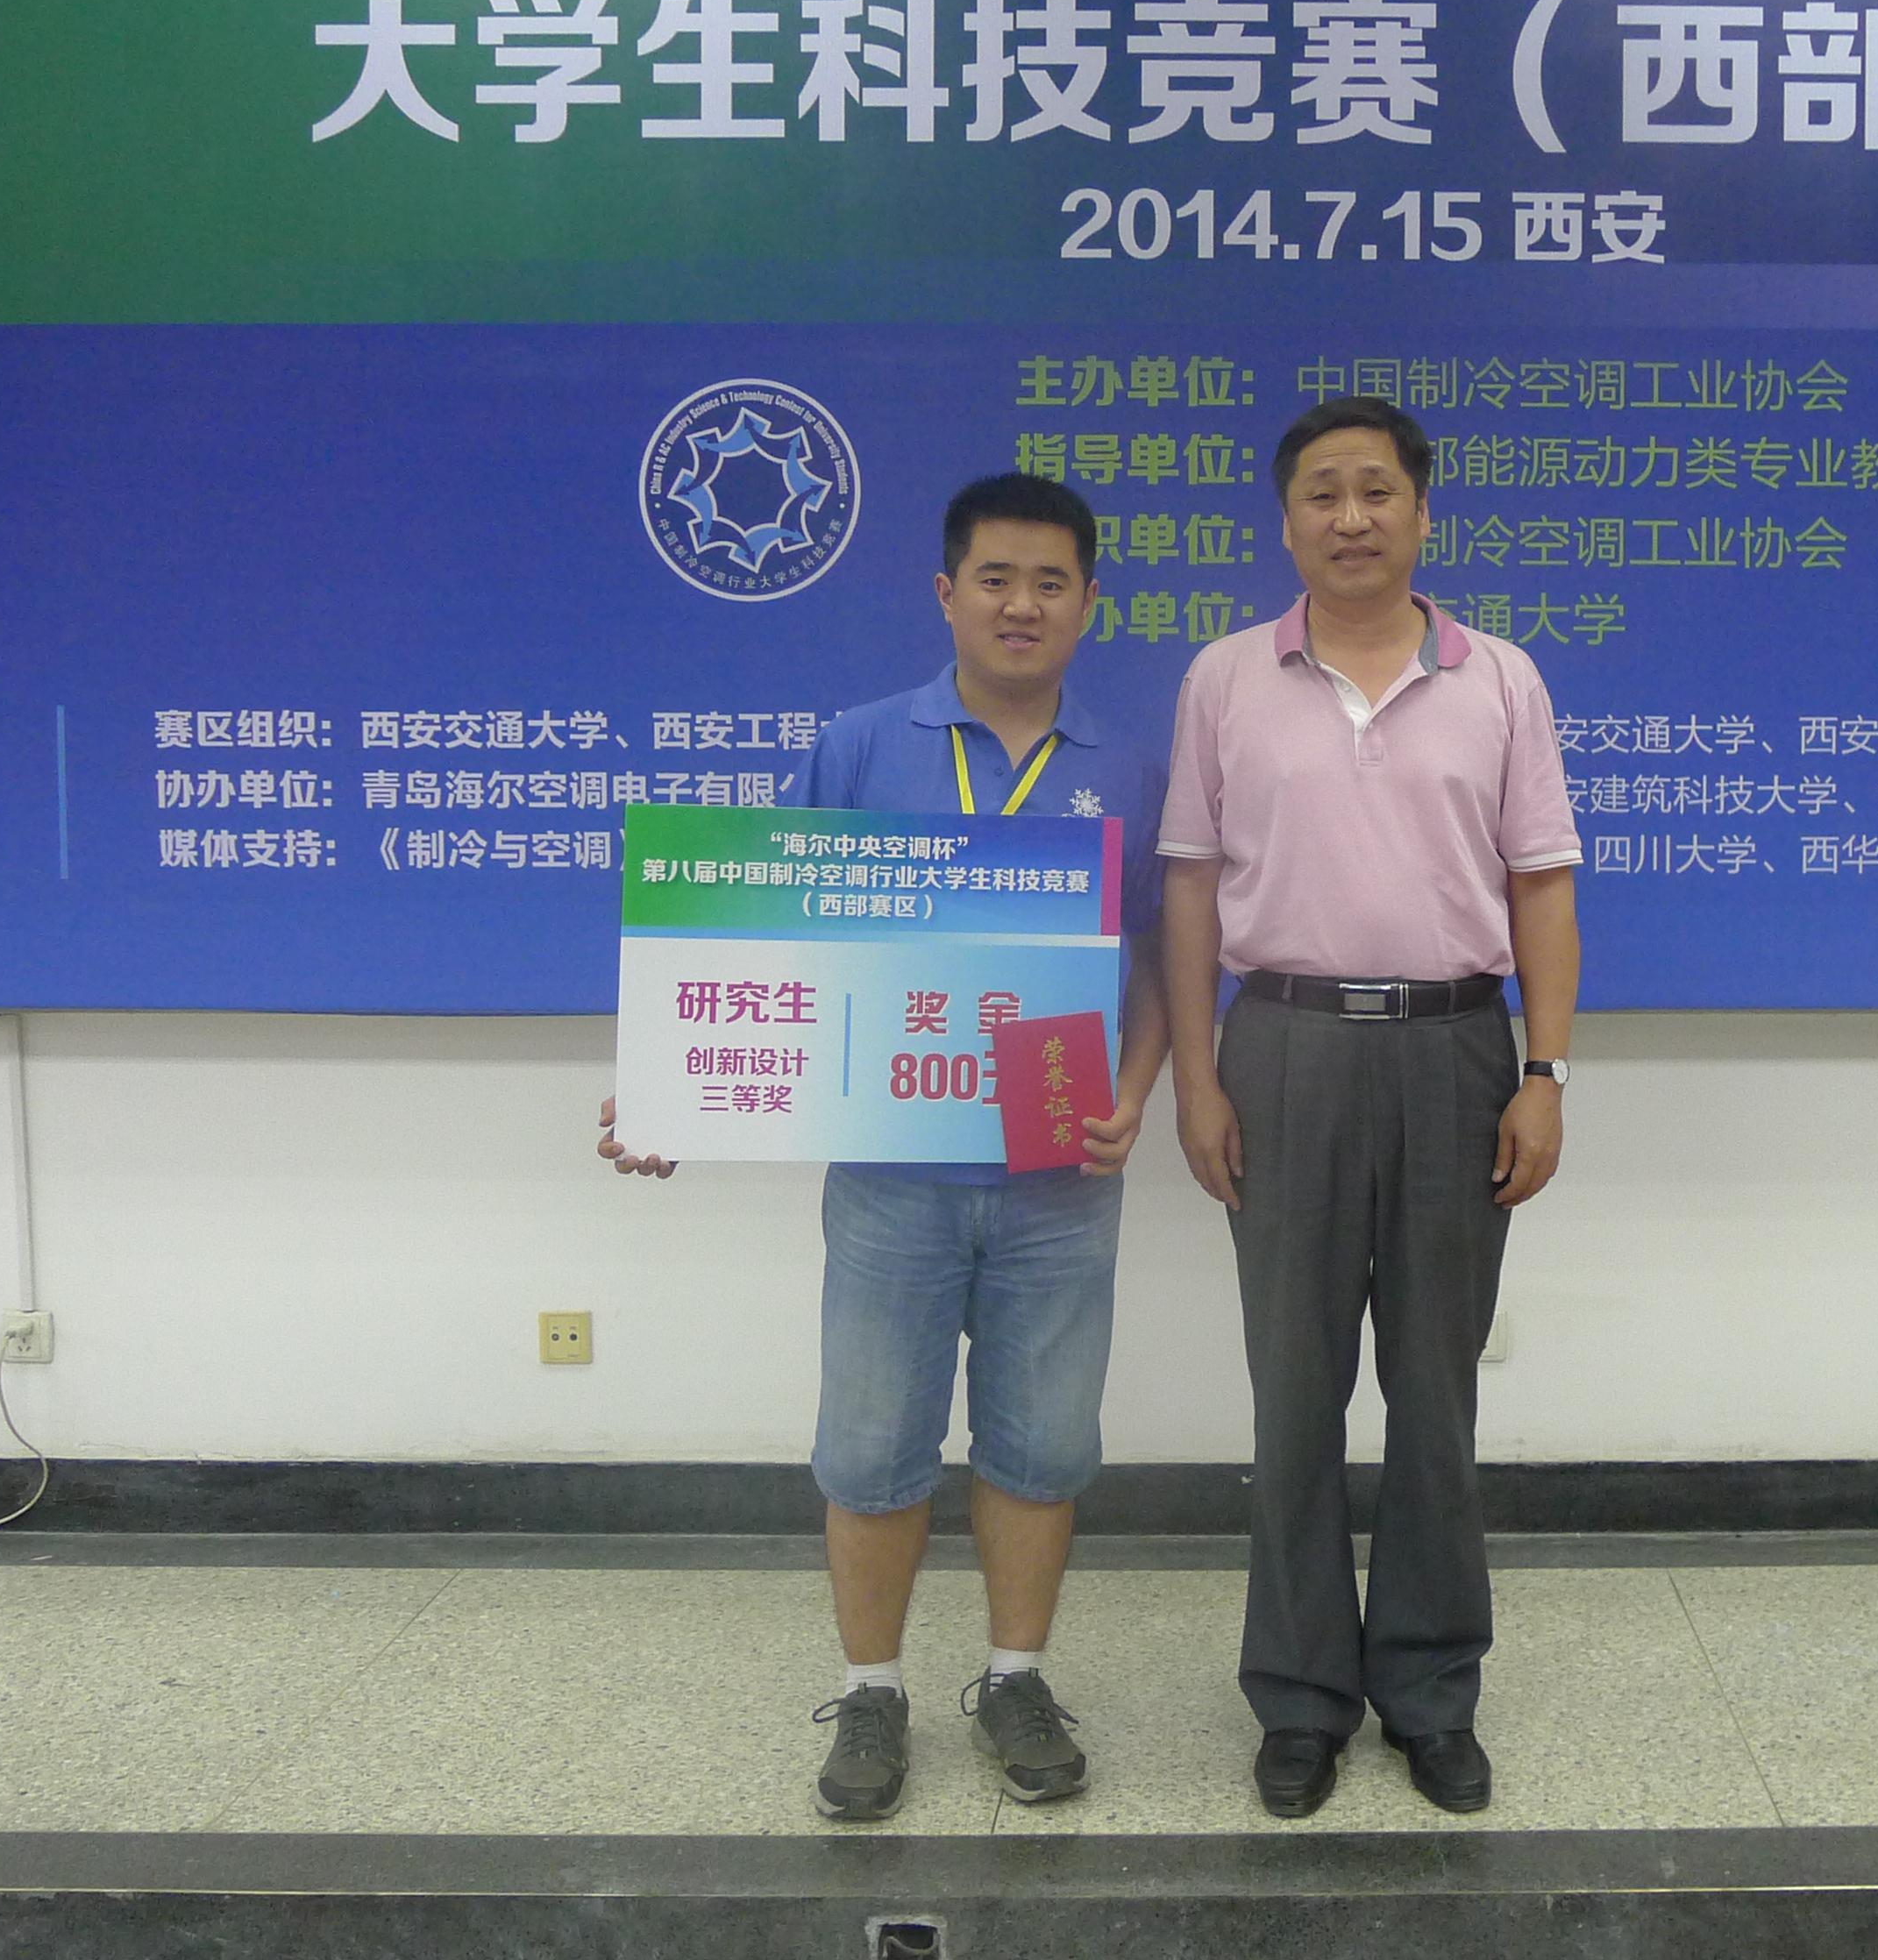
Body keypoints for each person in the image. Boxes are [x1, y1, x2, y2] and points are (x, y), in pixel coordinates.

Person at [598, 472, 1168, 1822]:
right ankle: (870, 1692)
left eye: (1050, 583)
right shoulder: (858, 747)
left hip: (1058, 1176)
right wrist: (672, 1090)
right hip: (893, 1177)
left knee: (1044, 1444)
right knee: (869, 1447)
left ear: (1090, 603)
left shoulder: (1130, 769)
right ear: (946, 593)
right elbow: (758, 927)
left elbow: (1160, 960)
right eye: (996, 579)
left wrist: (1136, 1088)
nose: (1022, 604)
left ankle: (1016, 1678)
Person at [1156, 395, 1583, 1818]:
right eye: (1323, 494)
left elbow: (1541, 887)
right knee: (1293, 1392)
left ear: (1421, 511)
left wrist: (1544, 1075)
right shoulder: (1225, 677)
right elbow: (1191, 886)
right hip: (1281, 1048)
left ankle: (1430, 1689)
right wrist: (1201, 1077)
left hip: (1458, 1051)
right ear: (1286, 522)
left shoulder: (1501, 678)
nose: (1352, 517)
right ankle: (1298, 1697)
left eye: (1378, 491)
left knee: (1435, 1394)